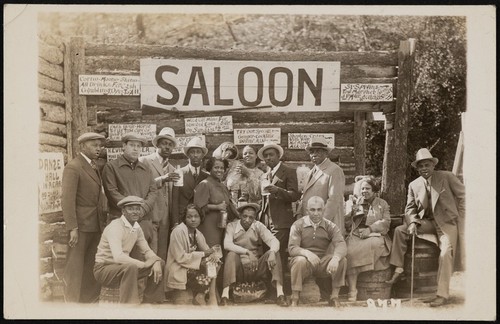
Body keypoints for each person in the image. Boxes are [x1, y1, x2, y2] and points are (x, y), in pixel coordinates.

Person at [386, 148, 465, 307]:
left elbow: (464, 197)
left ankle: (442, 294)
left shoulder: (447, 177)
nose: (424, 169)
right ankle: (398, 268)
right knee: (400, 230)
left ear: (433, 165)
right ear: (417, 168)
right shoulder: (414, 185)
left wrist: (461, 218)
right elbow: (410, 209)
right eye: (420, 166)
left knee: (445, 253)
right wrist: (413, 221)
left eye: (427, 165)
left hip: (447, 224)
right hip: (426, 223)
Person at [61, 132, 107, 303]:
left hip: (95, 225)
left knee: (90, 265)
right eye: (94, 145)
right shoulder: (73, 167)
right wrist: (72, 228)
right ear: (82, 146)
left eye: (99, 145)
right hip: (80, 227)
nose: (98, 148)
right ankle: (72, 302)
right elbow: (67, 200)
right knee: (75, 267)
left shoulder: (93, 166)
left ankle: (87, 301)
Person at [93, 196, 165, 304]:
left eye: (137, 208)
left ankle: (151, 302)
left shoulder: (136, 227)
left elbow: (146, 250)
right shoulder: (115, 227)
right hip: (104, 269)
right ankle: (129, 306)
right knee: (130, 267)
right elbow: (118, 257)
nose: (135, 212)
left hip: (123, 269)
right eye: (131, 209)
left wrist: (156, 261)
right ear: (123, 211)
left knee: (161, 263)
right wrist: (143, 264)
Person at [220, 202, 288, 307]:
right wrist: (247, 252)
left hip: (255, 267)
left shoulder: (258, 225)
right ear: (240, 215)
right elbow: (227, 244)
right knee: (231, 255)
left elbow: (274, 241)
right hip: (239, 268)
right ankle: (225, 296)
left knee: (274, 253)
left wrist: (273, 252)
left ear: (255, 218)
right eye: (245, 216)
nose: (247, 220)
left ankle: (280, 294)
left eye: (251, 217)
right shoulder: (232, 226)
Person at [257, 141, 300, 293]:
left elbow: (294, 195)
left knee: (277, 255)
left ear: (278, 155)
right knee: (267, 253)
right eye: (266, 156)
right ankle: (269, 289)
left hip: (281, 222)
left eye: (271, 155)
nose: (268, 158)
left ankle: (279, 291)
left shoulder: (288, 171)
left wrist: (277, 190)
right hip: (265, 222)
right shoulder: (264, 175)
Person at [288, 196, 347, 307]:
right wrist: (307, 253)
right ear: (307, 210)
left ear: (323, 210)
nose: (316, 213)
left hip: (321, 263)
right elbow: (292, 248)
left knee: (342, 260)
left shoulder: (330, 226)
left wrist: (335, 258)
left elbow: (341, 244)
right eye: (312, 210)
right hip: (303, 263)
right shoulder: (298, 225)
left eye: (319, 209)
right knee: (300, 260)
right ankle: (294, 298)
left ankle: (334, 297)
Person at [102, 132, 158, 248]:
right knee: (123, 261)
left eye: (138, 146)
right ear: (124, 146)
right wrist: (132, 210)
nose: (135, 149)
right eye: (132, 145)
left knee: (143, 260)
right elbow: (111, 192)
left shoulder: (146, 169)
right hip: (121, 221)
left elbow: (153, 191)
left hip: (143, 223)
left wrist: (143, 209)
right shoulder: (112, 167)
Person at [344, 176, 391, 302]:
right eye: (363, 188)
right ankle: (352, 290)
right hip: (356, 235)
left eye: (368, 188)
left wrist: (370, 229)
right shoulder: (356, 203)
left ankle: (354, 286)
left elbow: (386, 222)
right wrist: (348, 212)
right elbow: (347, 224)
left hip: (375, 235)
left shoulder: (382, 203)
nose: (365, 191)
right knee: (349, 251)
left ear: (374, 190)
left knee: (374, 244)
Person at [164, 204, 221, 306]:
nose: (193, 219)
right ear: (184, 218)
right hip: (179, 268)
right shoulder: (178, 231)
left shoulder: (197, 233)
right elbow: (180, 257)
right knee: (184, 303)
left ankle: (205, 295)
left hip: (190, 268)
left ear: (200, 218)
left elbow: (208, 250)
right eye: (189, 217)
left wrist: (212, 256)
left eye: (196, 216)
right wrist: (204, 254)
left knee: (214, 262)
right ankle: (203, 295)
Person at [140, 127, 180, 260]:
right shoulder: (144, 161)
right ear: (157, 144)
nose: (167, 147)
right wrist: (163, 179)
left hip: (165, 219)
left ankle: (158, 281)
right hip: (149, 216)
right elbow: (141, 186)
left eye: (170, 145)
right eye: (164, 143)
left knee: (161, 255)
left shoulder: (172, 168)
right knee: (149, 254)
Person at [296, 137, 346, 235]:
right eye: (312, 152)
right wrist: (299, 213)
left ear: (326, 153)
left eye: (318, 151)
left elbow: (334, 199)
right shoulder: (310, 173)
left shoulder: (334, 170)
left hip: (327, 224)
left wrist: (320, 223)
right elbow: (304, 196)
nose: (314, 154)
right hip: (310, 222)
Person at [194, 157, 238, 247]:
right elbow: (197, 207)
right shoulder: (205, 184)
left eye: (222, 168)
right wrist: (216, 207)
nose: (219, 170)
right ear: (210, 168)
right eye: (216, 167)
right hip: (209, 225)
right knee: (211, 251)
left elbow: (228, 205)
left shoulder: (223, 186)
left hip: (222, 224)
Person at [171, 136, 209, 229]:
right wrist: (175, 223)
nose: (195, 155)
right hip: (182, 219)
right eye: (192, 152)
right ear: (188, 154)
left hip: (200, 220)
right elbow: (175, 201)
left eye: (198, 152)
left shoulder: (206, 176)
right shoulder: (179, 173)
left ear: (202, 155)